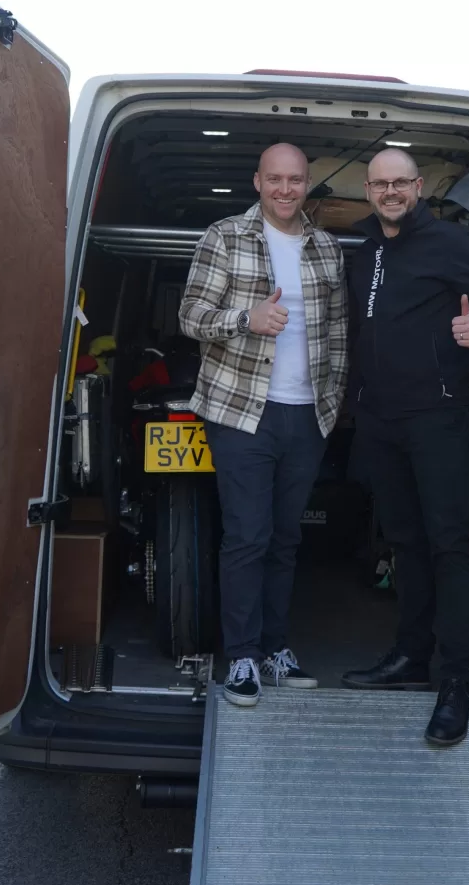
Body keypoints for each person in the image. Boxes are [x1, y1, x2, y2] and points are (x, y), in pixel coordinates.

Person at [341, 148, 469, 746]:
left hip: (437, 418)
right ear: (368, 190)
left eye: (401, 182)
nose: (390, 192)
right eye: (380, 184)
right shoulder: (365, 253)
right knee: (405, 543)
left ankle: (456, 683)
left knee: (449, 547)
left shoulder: (450, 245)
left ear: (417, 187)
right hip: (381, 422)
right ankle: (411, 656)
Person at [179, 143, 348, 708]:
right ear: (257, 181)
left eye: (295, 180)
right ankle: (243, 658)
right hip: (242, 411)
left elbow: (341, 333)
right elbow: (191, 317)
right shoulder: (224, 236)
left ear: (307, 184)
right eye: (274, 179)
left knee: (285, 539)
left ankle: (276, 649)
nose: (284, 189)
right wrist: (245, 319)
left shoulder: (325, 247)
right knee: (247, 538)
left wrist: (333, 403)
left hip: (308, 414)